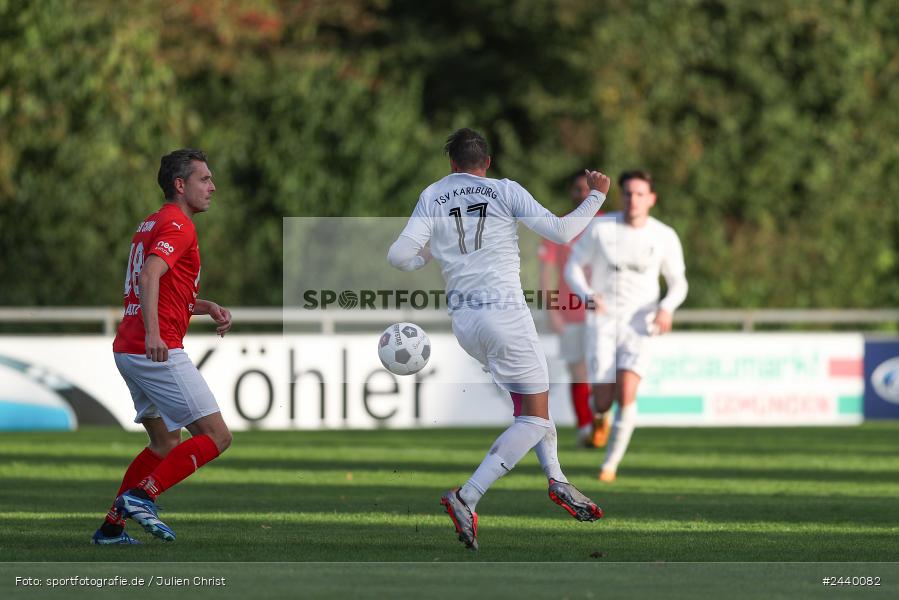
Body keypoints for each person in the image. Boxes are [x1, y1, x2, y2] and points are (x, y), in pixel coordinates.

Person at [387, 128, 610, 550]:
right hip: (505, 313)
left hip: (466, 323)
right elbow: (562, 232)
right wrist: (596, 196)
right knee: (536, 416)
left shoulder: (433, 195)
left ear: (451, 164)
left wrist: (426, 255)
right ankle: (466, 496)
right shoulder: (505, 190)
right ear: (485, 163)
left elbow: (398, 257)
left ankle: (557, 479)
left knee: (529, 402)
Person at [91, 149, 233, 544]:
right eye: (204, 179)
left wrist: (204, 307)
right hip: (155, 349)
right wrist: (156, 334)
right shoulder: (179, 225)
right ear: (180, 185)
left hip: (129, 348)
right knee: (218, 436)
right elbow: (150, 275)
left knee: (165, 442)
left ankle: (112, 527)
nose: (212, 187)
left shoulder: (152, 221)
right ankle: (142, 496)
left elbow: (162, 285)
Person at [565, 170, 687, 482]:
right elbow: (572, 268)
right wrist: (587, 296)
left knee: (628, 389)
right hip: (603, 323)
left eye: (640, 194)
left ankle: (609, 465)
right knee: (603, 398)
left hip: (641, 325)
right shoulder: (601, 229)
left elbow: (678, 283)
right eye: (628, 193)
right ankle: (600, 417)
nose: (634, 199)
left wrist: (666, 308)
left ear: (651, 199)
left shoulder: (664, 235)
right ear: (621, 196)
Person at [538, 171, 604, 447]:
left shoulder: (607, 225)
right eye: (577, 189)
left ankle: (601, 424)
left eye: (586, 190)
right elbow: (546, 272)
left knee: (604, 371)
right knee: (579, 371)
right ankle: (586, 429)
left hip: (603, 311)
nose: (581, 195)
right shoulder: (560, 226)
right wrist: (552, 310)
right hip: (571, 311)